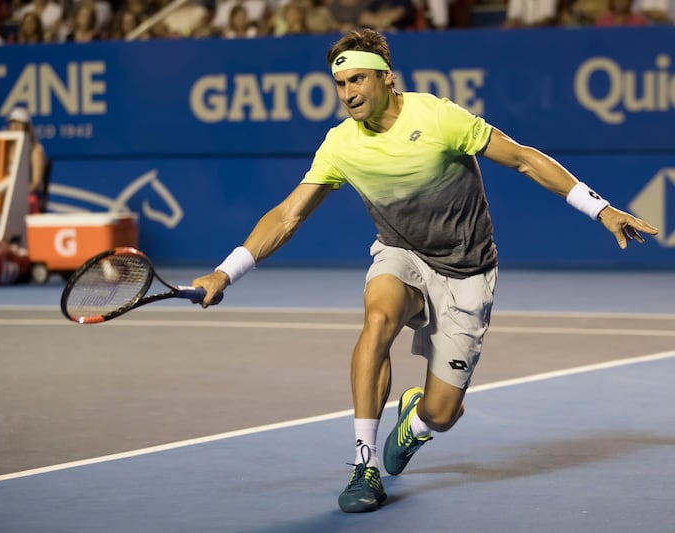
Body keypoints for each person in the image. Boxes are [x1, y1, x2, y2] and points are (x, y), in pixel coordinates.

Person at [191, 28, 659, 513]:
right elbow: (287, 215)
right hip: (402, 255)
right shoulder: (340, 145)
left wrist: (600, 209)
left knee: (442, 413)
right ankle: (364, 464)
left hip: (467, 271)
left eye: (358, 80)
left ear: (386, 77)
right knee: (377, 321)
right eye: (340, 83)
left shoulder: (438, 118)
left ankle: (415, 421)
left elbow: (521, 159)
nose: (348, 93)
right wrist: (225, 273)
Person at [6, 107, 48, 213]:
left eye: (19, 123)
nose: (15, 126)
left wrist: (16, 195)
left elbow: (35, 183)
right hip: (5, 197)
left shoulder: (35, 150)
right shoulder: (4, 149)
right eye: (13, 123)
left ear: (26, 127)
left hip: (27, 198)